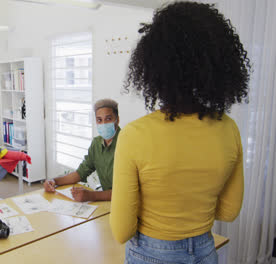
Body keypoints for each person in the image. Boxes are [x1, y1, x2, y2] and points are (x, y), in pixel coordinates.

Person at [110, 2, 249, 263]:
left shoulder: (134, 135)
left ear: (153, 66)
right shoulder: (229, 129)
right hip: (206, 250)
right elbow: (229, 211)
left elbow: (121, 230)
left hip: (150, 254)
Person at [44, 99, 120, 202]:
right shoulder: (96, 144)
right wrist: (54, 181)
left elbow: (125, 191)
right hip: (107, 204)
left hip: (125, 204)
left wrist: (91, 196)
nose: (103, 123)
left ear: (117, 120)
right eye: (99, 120)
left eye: (108, 119)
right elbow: (80, 173)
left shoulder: (126, 144)